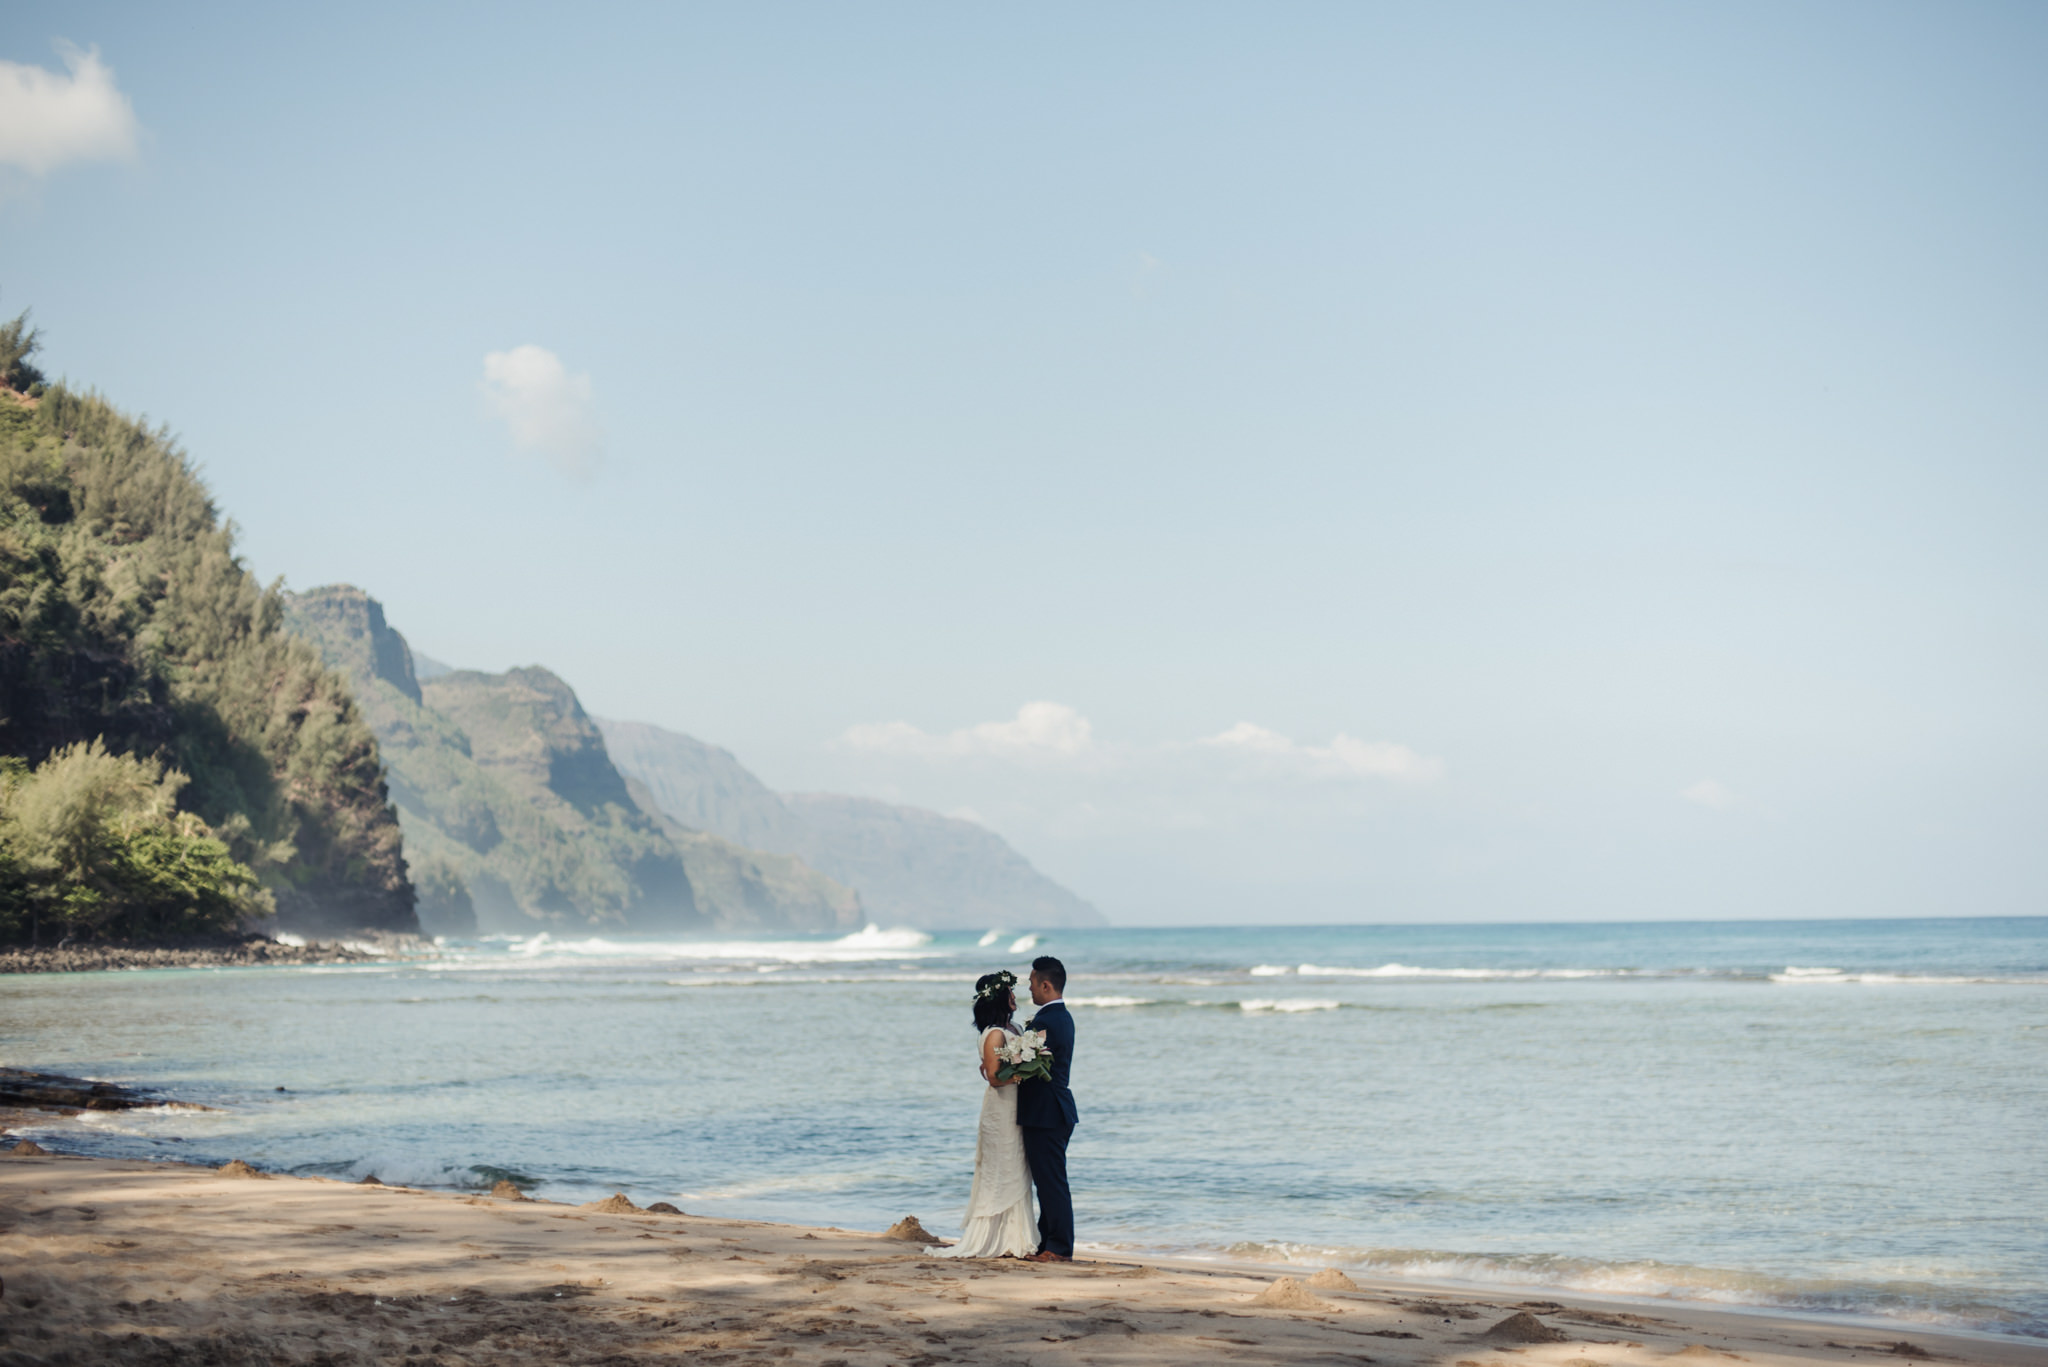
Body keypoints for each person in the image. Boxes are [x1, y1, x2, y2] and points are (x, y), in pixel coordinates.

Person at [930, 970, 1039, 1258]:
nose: (1015, 997)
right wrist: (1023, 1074)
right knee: (1004, 1167)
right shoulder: (994, 1034)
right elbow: (993, 1077)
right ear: (1000, 998)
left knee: (1018, 1167)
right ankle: (998, 1238)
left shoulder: (1014, 1028)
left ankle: (1015, 1235)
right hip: (1001, 1109)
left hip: (1018, 1107)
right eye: (1010, 993)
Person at [1016, 954, 1078, 1262]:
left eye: (1031, 983)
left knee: (1051, 1181)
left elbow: (1030, 1063)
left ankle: (1059, 1247)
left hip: (1047, 1111)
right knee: (1047, 1179)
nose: (1029, 989)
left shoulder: (1047, 1021)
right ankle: (1046, 1243)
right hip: (1054, 1109)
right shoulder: (1061, 1017)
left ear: (1045, 984)